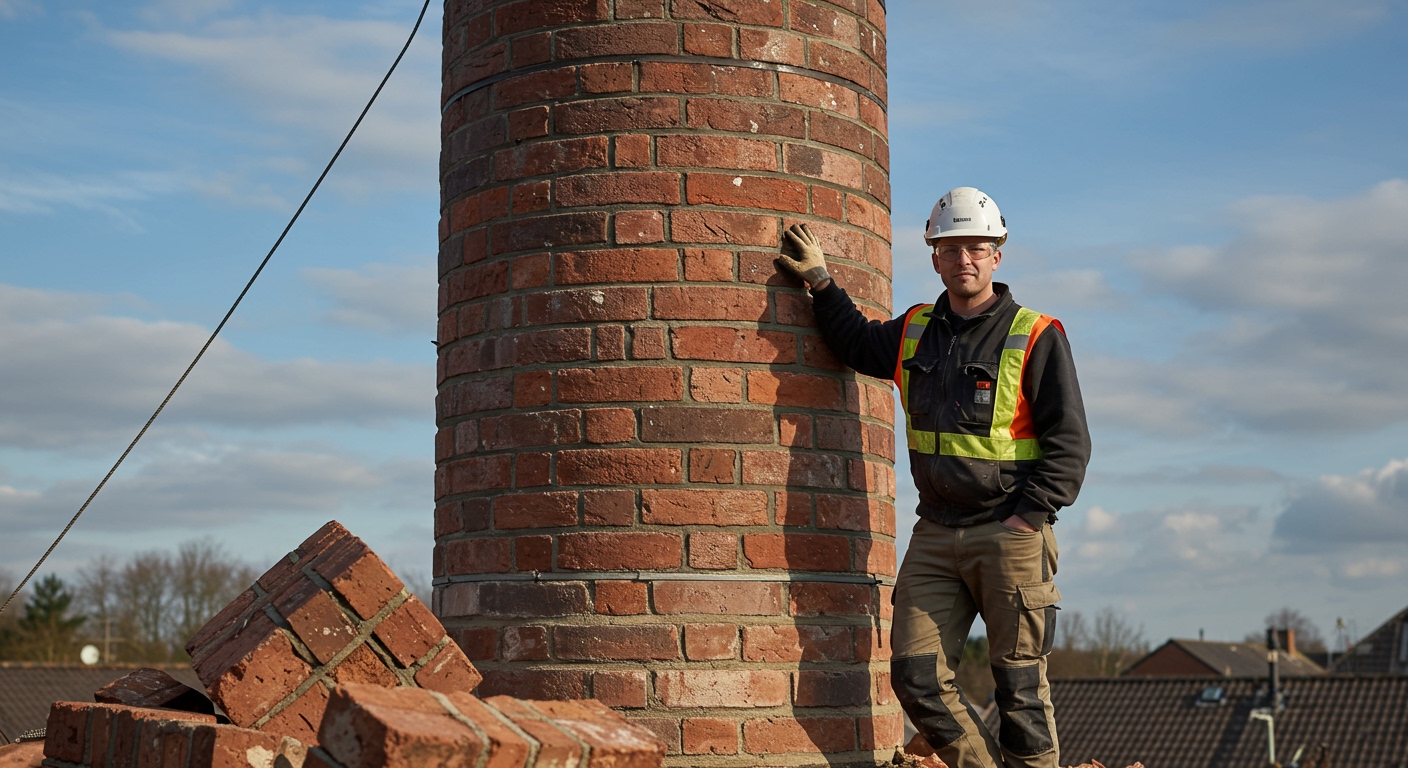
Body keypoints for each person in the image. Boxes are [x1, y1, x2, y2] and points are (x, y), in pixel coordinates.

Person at [775, 187, 1090, 768]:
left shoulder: (1036, 333)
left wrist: (1029, 516)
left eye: (976, 248)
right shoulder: (916, 329)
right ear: (935, 257)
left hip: (1010, 533)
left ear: (996, 254)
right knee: (915, 674)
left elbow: (1070, 443)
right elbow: (855, 343)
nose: (963, 259)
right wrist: (820, 281)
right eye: (950, 248)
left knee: (1019, 688)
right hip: (937, 534)